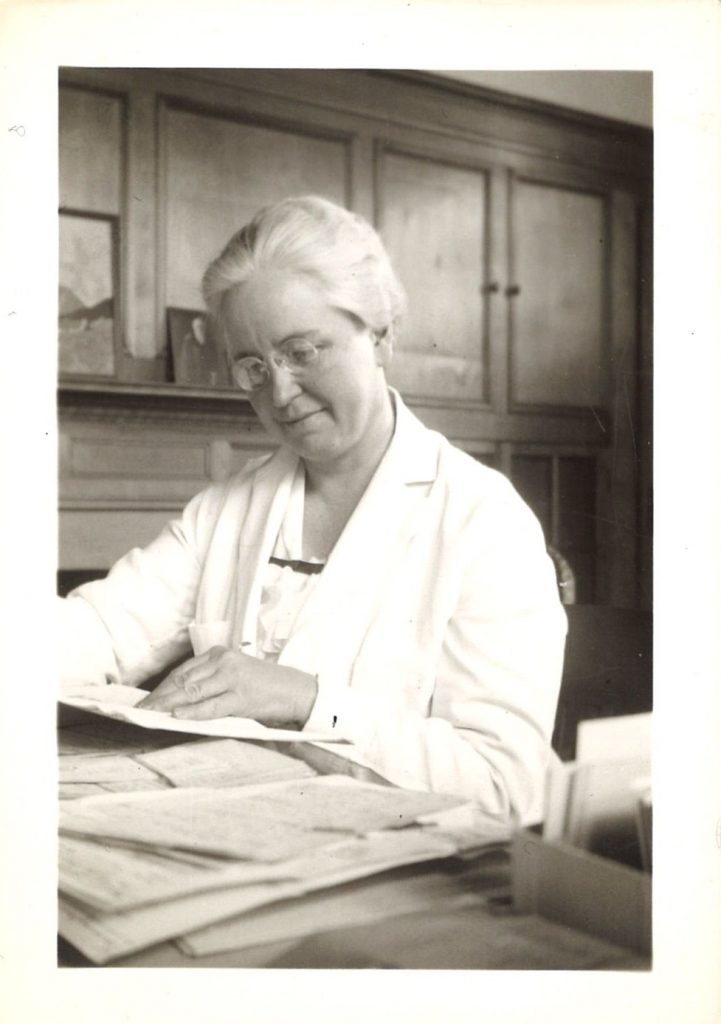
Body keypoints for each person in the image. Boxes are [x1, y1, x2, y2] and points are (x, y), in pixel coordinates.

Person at [59, 195, 566, 824]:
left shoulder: (483, 521)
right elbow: (102, 630)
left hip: (408, 870)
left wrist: (304, 699)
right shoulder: (227, 508)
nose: (280, 392)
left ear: (380, 335)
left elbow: (503, 785)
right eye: (252, 366)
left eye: (303, 352)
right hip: (238, 833)